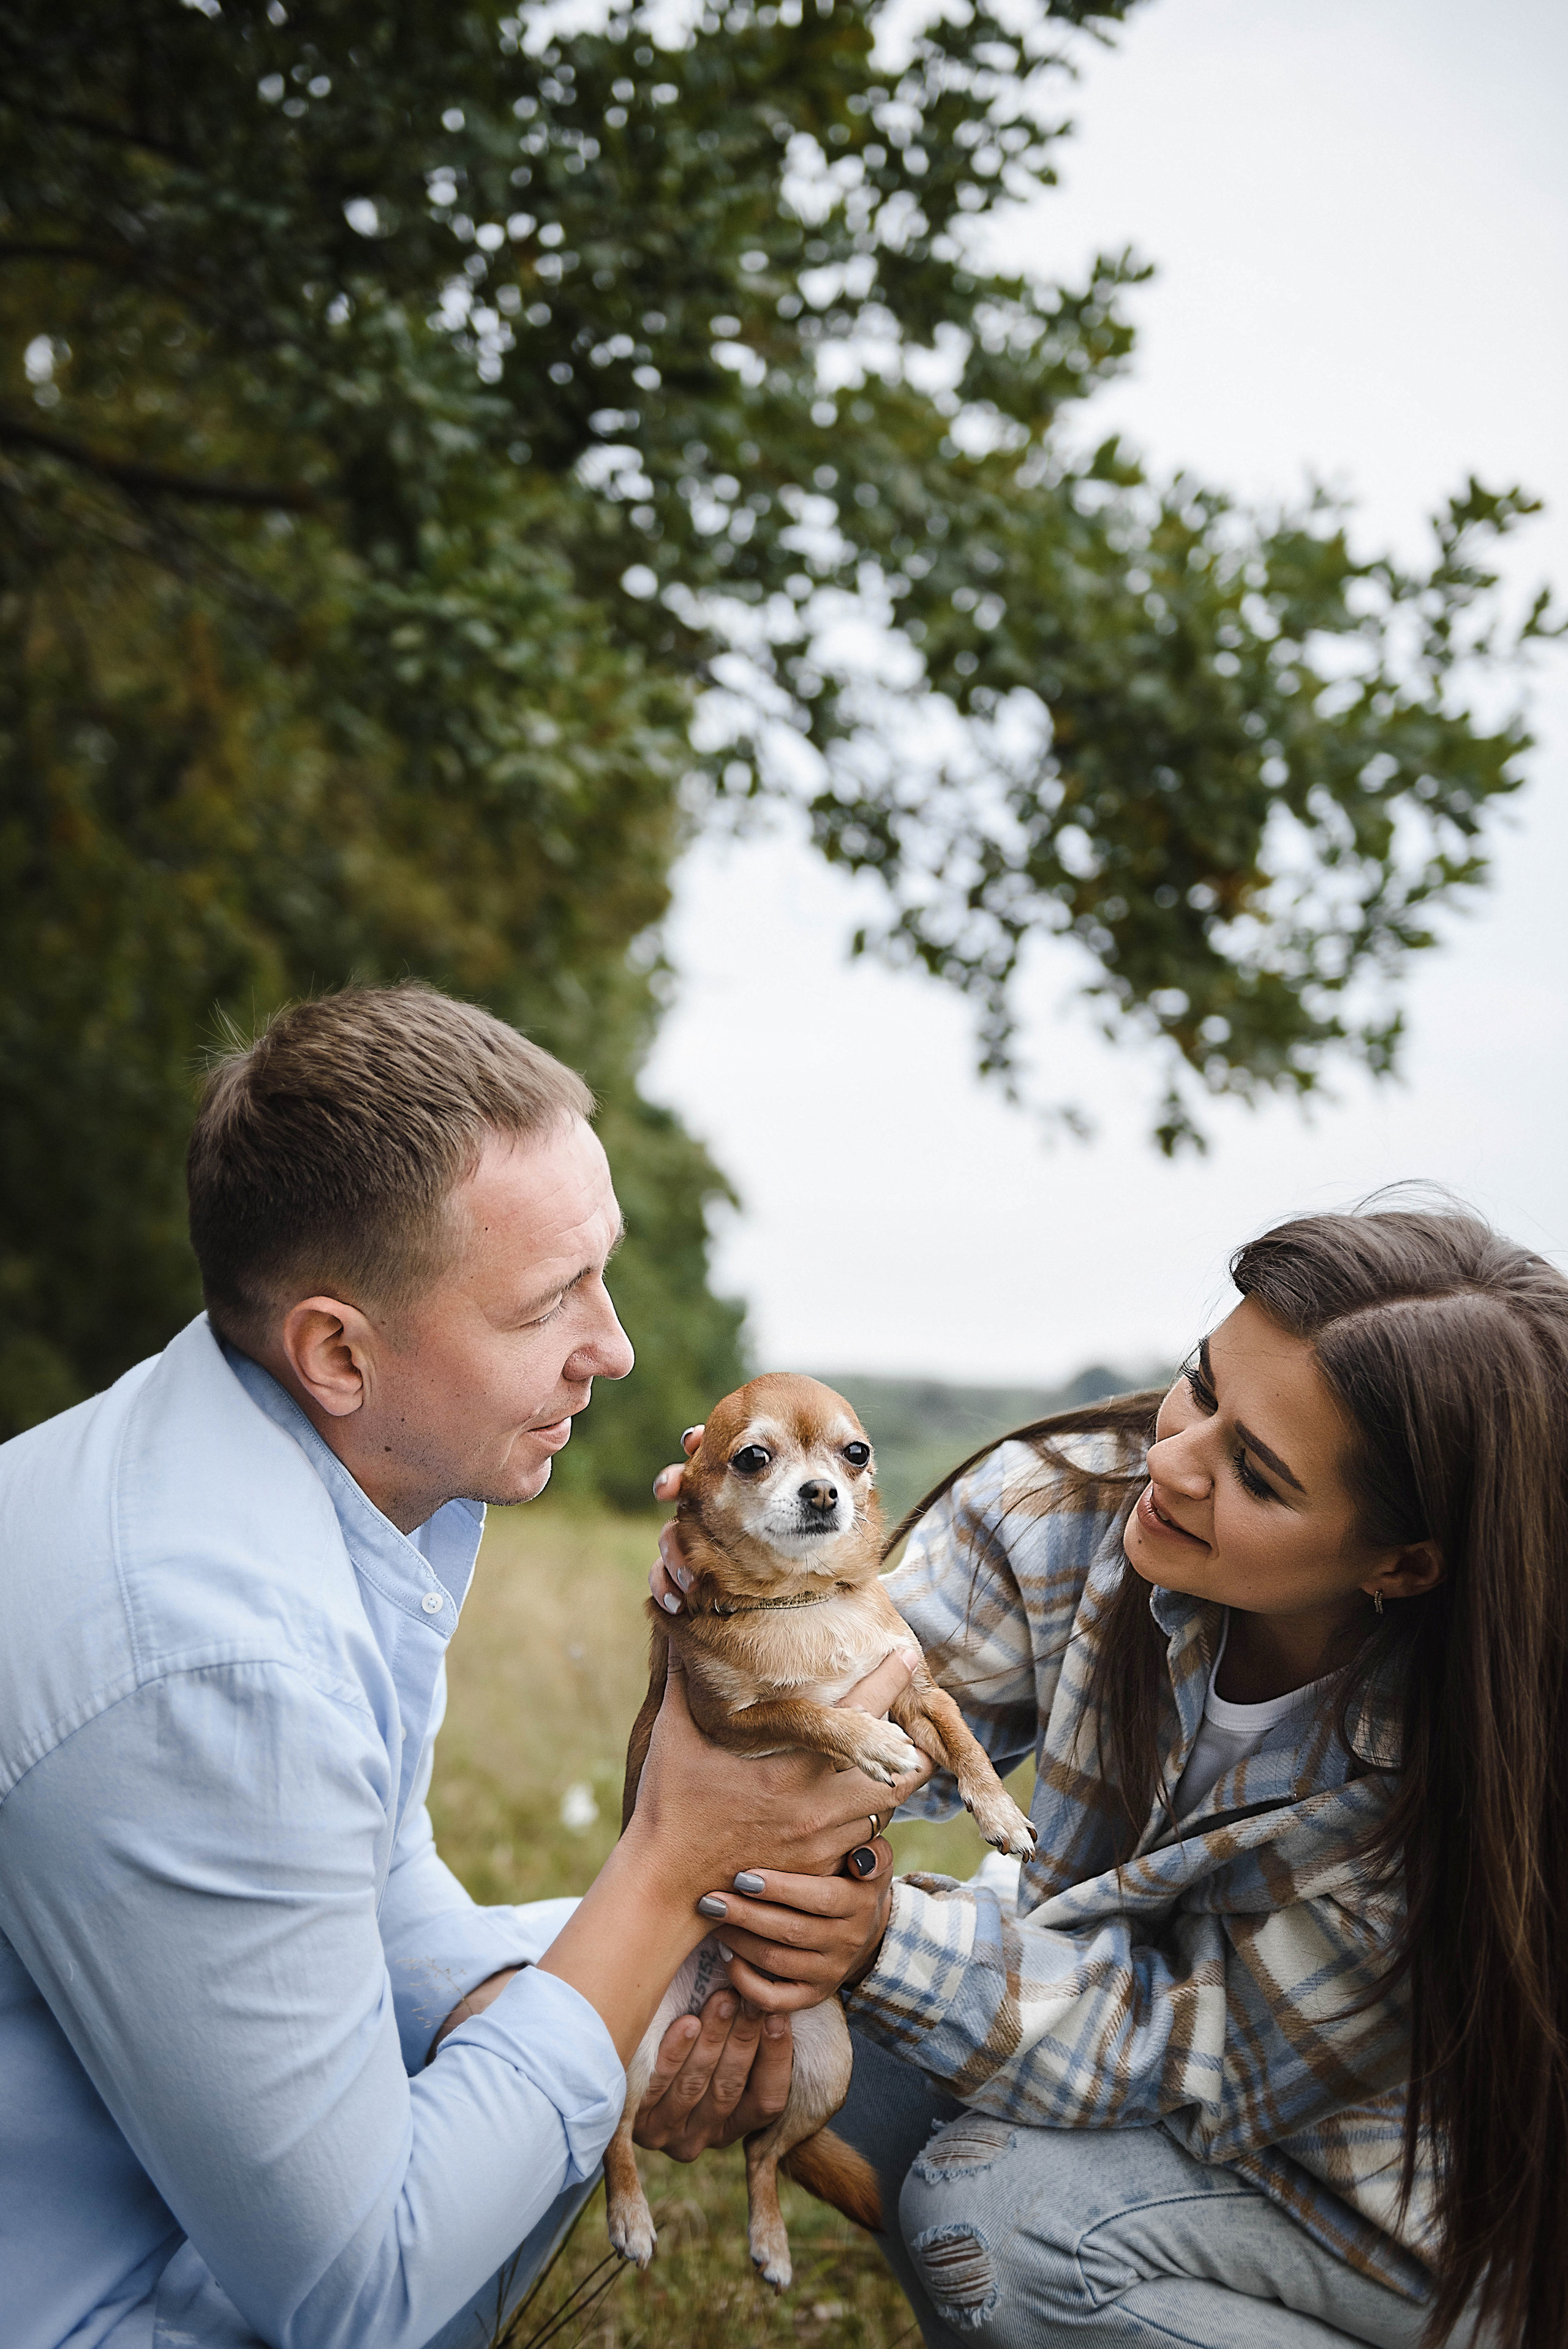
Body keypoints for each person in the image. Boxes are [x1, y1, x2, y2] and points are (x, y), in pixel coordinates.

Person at [0, 982, 925, 2349]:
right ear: (337, 1351)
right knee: (645, 1961)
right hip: (104, 2299)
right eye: (553, 1299)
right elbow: (357, 2293)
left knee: (745, 1985)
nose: (611, 1348)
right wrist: (667, 1863)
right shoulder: (209, 1663)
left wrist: (515, 2004)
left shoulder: (289, 1467)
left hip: (164, 2185)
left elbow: (362, 1858)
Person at [649, 1205, 1568, 2348]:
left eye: (1260, 1476)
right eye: (1202, 1385)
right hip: (1113, 2061)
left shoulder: (1470, 1768)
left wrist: (878, 1942)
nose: (1170, 1461)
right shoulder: (1070, 1501)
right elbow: (841, 1720)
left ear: (1406, 1562)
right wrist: (738, 1584)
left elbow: (1192, 2049)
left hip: (1378, 2215)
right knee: (614, 1977)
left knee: (991, 2216)